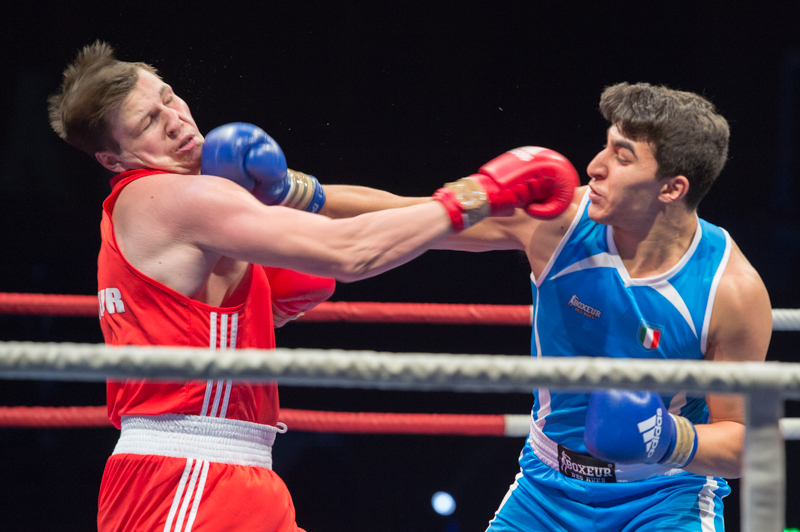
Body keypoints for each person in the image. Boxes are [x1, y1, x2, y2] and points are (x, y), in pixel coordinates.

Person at [47, 41, 578, 532]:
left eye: (168, 99)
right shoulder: (169, 198)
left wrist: (506, 222)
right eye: (147, 122)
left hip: (229, 472)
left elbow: (338, 225)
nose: (175, 121)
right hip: (185, 479)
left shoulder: (186, 204)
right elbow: (350, 252)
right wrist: (479, 193)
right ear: (113, 160)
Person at [298, 83, 773, 530]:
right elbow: (407, 213)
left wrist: (666, 438)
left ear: (672, 188)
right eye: (605, 145)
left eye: (621, 158)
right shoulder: (559, 225)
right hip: (545, 490)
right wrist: (291, 192)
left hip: (663, 498)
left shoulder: (730, 291)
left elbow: (742, 442)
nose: (594, 166)